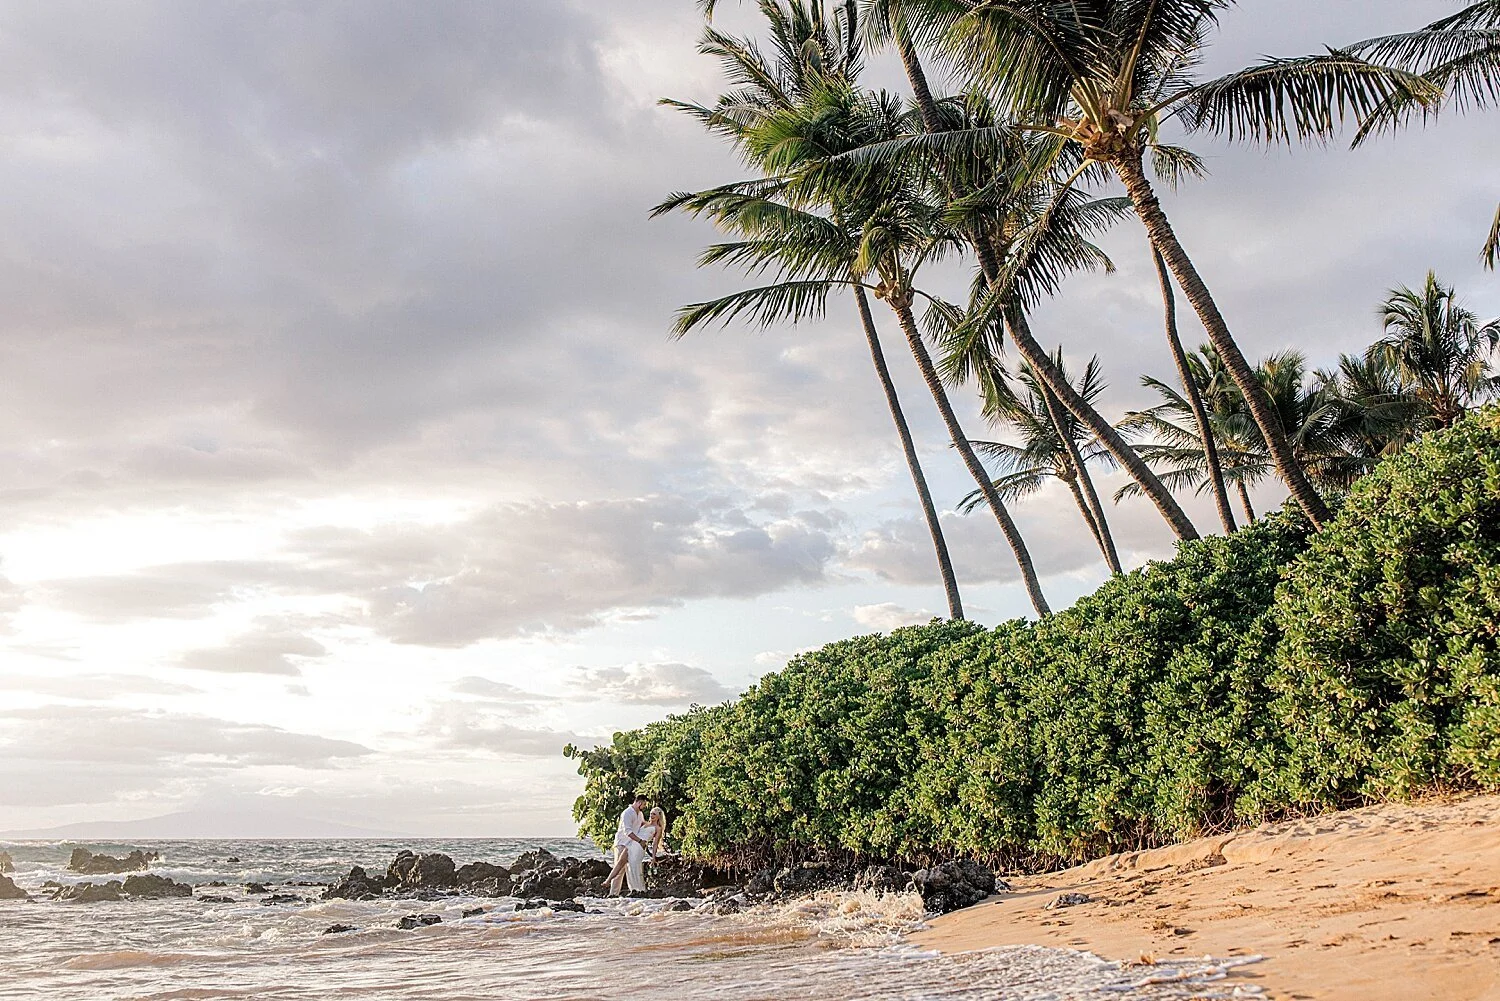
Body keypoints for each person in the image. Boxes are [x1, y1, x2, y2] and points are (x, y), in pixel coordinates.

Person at [607, 794, 649, 896]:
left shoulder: (640, 814)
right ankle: (613, 894)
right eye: (643, 804)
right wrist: (640, 841)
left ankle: (634, 892)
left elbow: (643, 824)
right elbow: (628, 832)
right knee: (619, 869)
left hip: (631, 844)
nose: (644, 807)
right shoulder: (627, 813)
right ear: (639, 802)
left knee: (631, 868)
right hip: (622, 843)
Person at [626, 806, 667, 893]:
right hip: (633, 845)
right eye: (651, 813)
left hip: (640, 848)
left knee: (635, 865)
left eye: (654, 814)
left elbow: (655, 844)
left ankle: (639, 889)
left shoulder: (658, 828)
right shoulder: (644, 823)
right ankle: (633, 889)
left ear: (659, 816)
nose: (652, 815)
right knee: (629, 865)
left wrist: (653, 857)